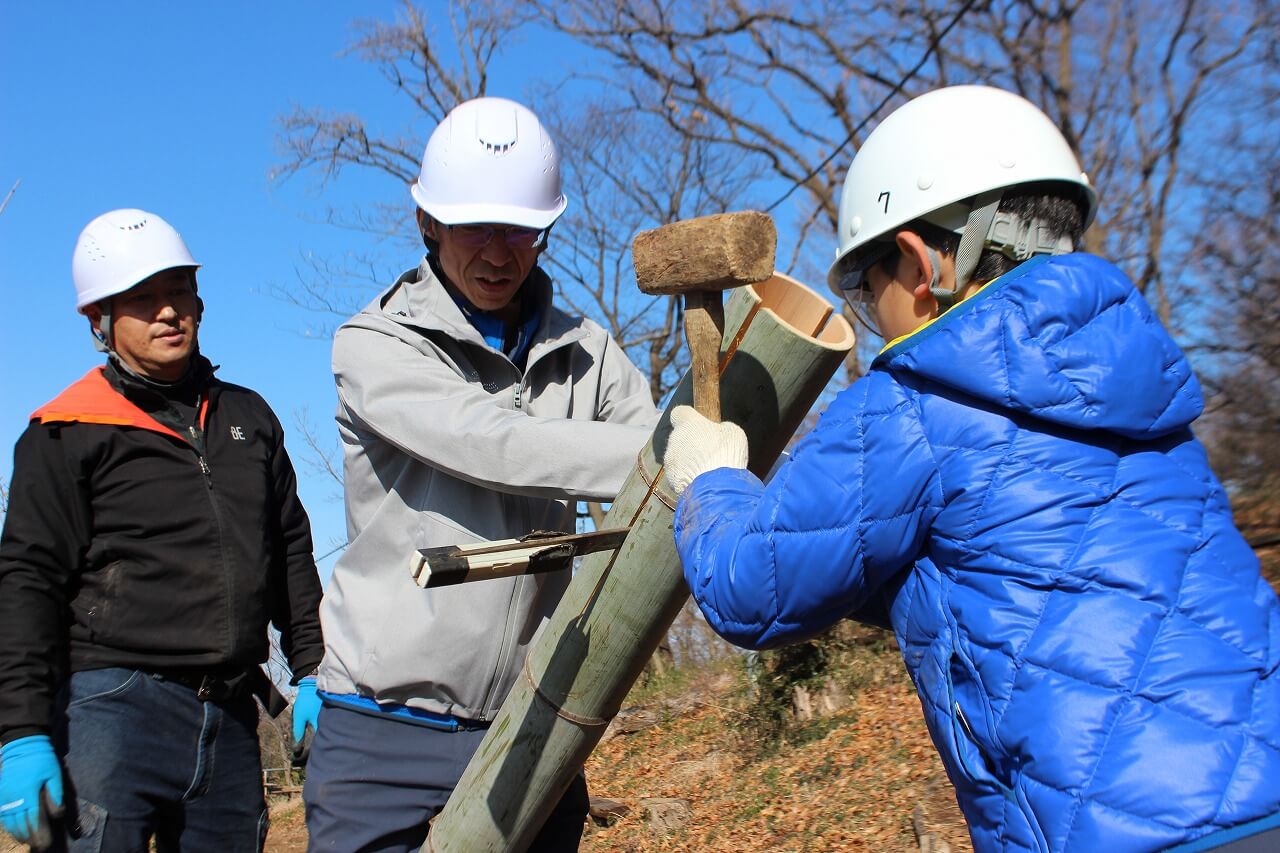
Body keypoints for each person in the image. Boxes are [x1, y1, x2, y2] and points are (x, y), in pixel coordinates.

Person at [664, 85, 1280, 852]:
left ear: (922, 264)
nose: (865, 309)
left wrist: (708, 483)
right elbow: (1002, 569)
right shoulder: (1141, 386)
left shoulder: (916, 397)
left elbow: (753, 588)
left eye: (863, 285)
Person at [304, 96, 659, 852]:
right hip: (380, 725)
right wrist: (670, 452)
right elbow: (492, 441)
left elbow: (655, 451)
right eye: (476, 227)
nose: (500, 252)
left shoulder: (586, 349)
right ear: (428, 222)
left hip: (532, 718)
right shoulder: (373, 343)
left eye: (522, 231)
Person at [0, 209, 326, 852]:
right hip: (109, 708)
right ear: (99, 318)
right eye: (143, 299)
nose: (167, 312)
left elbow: (289, 545)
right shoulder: (66, 431)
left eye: (177, 290)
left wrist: (315, 667)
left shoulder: (248, 418)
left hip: (231, 714)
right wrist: (21, 732)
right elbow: (26, 583)